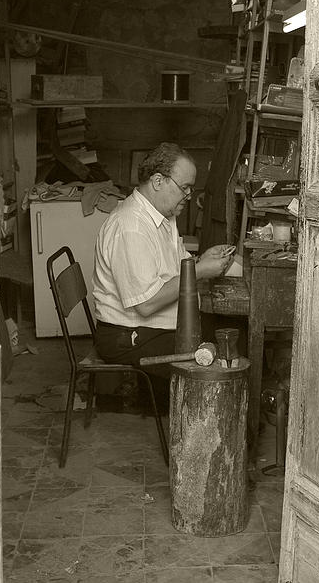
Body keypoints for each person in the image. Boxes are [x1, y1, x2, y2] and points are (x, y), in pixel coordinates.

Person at [92, 142, 234, 408]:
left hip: (153, 328)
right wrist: (201, 271)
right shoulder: (131, 227)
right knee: (218, 362)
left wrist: (201, 261)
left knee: (231, 334)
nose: (189, 195)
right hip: (129, 336)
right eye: (185, 187)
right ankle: (201, 440)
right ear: (158, 181)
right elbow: (146, 304)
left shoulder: (162, 216)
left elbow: (175, 269)